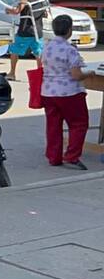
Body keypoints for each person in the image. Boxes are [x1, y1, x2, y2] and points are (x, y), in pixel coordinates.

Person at [42, 14, 92, 170]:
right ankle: (72, 155)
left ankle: (54, 157)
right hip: (69, 92)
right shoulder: (70, 50)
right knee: (78, 124)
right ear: (70, 30)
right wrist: (88, 74)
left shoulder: (47, 46)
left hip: (48, 91)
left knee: (53, 125)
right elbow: (76, 75)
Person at [6, 0, 43, 80]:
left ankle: (12, 73)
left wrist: (8, 10)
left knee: (14, 50)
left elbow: (17, 11)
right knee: (38, 53)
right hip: (37, 31)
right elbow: (45, 14)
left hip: (25, 30)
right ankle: (41, 75)